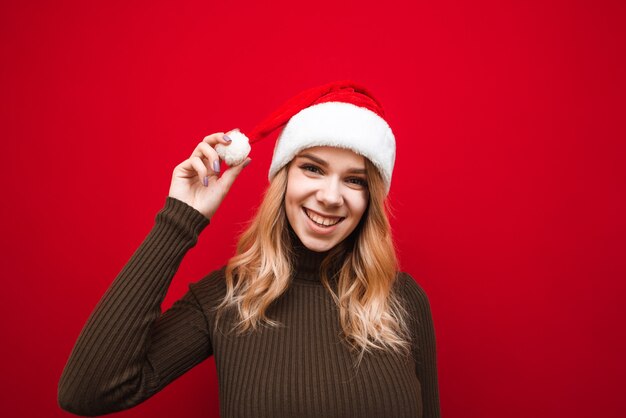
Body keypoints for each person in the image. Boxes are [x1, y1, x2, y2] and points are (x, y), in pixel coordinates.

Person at [58, 81, 441, 417]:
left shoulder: (403, 301)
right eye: (313, 168)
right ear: (283, 176)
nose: (330, 196)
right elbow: (88, 391)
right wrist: (180, 219)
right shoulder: (228, 298)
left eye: (354, 180)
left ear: (370, 198)